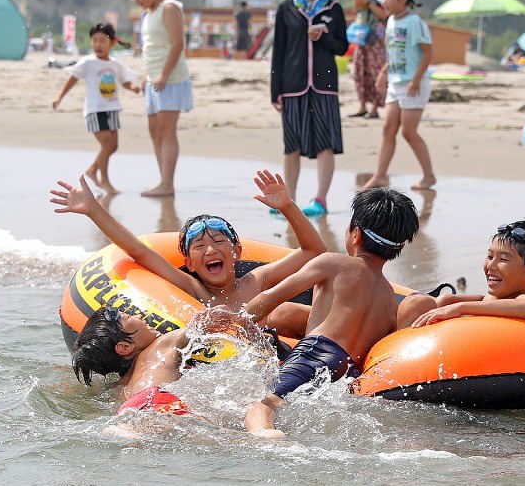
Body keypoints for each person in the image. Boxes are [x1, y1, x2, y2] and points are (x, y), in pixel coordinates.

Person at [50, 169, 325, 340]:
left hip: (286, 348)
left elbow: (314, 252)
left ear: (237, 252)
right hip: (232, 362)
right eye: (200, 247)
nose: (211, 250)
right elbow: (138, 251)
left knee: (285, 312)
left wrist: (287, 207)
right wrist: (93, 210)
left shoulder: (257, 281)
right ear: (189, 264)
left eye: (219, 241)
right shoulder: (194, 290)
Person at [240, 187, 420, 437]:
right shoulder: (390, 299)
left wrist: (235, 322)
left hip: (315, 351)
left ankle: (265, 435)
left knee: (264, 404)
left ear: (355, 233)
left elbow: (270, 297)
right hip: (349, 371)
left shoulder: (333, 263)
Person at [271, 0, 349, 216]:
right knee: (291, 145)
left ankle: (320, 200)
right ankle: (288, 201)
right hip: (292, 86)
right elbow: (278, 52)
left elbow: (342, 47)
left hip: (325, 86)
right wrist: (275, 90)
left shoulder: (334, 9)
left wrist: (324, 36)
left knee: (326, 143)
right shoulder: (287, 8)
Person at [72, 305, 255, 415]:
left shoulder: (120, 386)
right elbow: (217, 315)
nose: (140, 317)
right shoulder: (161, 345)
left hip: (133, 408)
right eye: (130, 318)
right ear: (125, 347)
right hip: (157, 399)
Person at [399, 220, 525, 329]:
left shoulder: (521, 300)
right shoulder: (483, 301)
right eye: (489, 256)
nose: (491, 265)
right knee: (420, 303)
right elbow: (447, 301)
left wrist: (462, 308)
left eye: (503, 259)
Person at [362, 0, 436, 191]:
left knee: (409, 132)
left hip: (414, 84)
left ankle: (429, 176)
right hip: (395, 83)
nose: (384, 1)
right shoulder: (391, 22)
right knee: (388, 129)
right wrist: (384, 73)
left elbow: (428, 52)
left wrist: (415, 79)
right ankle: (380, 176)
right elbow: (393, 52)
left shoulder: (414, 23)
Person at [126, 0, 194, 198]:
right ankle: (162, 180)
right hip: (153, 78)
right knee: (154, 130)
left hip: (171, 79)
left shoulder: (169, 7)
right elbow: (151, 48)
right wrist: (146, 75)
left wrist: (164, 74)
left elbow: (177, 44)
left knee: (167, 130)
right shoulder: (148, 13)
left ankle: (167, 183)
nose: (138, 1)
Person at [52, 24, 140, 194]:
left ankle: (92, 170)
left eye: (102, 41)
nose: (98, 45)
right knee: (107, 144)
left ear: (112, 43)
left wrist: (133, 87)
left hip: (112, 108)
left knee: (113, 146)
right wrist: (60, 97)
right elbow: (73, 78)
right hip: (95, 110)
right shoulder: (88, 62)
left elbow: (124, 81)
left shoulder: (115, 64)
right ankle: (105, 181)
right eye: (94, 41)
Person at [348, 0, 388, 119]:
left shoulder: (376, 0)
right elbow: (357, 14)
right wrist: (358, 1)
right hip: (361, 41)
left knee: (374, 73)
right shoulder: (360, 5)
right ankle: (363, 106)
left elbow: (384, 15)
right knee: (359, 72)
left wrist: (369, 2)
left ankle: (375, 108)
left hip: (374, 42)